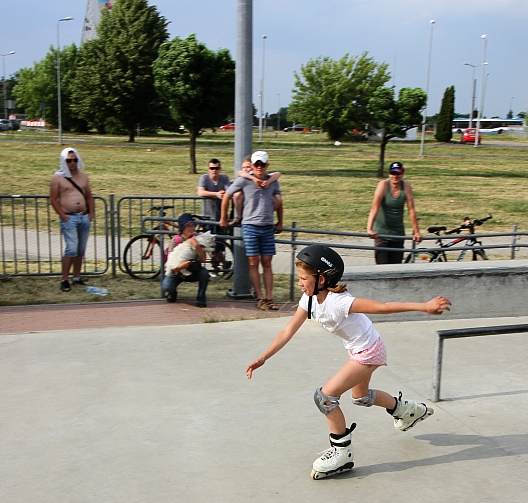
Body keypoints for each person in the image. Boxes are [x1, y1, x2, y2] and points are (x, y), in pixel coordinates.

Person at [246, 245, 451, 479]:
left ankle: (342, 453)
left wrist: (424, 307)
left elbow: (382, 308)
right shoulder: (309, 299)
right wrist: (263, 358)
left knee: (325, 397)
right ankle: (407, 410)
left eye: (303, 278)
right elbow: (287, 331)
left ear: (321, 278)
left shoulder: (339, 302)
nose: (300, 283)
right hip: (358, 349)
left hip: (368, 350)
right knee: (361, 397)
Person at [220, 150, 283, 310]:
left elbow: (279, 200)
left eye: (262, 164)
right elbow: (227, 195)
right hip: (250, 226)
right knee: (253, 262)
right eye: (257, 164)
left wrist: (280, 222)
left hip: (267, 225)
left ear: (266, 165)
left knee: (267, 262)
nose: (259, 167)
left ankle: (269, 297)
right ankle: (260, 297)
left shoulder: (272, 181)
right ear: (253, 166)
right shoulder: (244, 180)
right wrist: (223, 218)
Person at [49, 147, 94, 292]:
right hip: (69, 217)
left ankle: (77, 277)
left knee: (80, 249)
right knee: (71, 248)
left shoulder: (83, 176)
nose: (73, 163)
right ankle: (64, 279)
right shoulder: (57, 178)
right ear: (64, 161)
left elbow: (89, 196)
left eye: (75, 160)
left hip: (84, 216)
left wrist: (91, 214)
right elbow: (53, 199)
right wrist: (64, 216)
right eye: (69, 160)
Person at [367, 161, 422, 264]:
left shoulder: (406, 186)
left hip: (398, 234)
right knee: (382, 268)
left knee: (396, 268)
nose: (395, 176)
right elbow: (374, 208)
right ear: (389, 174)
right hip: (382, 234)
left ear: (402, 174)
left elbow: (411, 210)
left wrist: (417, 231)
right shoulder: (383, 185)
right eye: (393, 173)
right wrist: (370, 229)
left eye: (398, 173)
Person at [161, 213, 213, 307]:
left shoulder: (198, 238)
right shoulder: (175, 241)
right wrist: (180, 267)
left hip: (193, 270)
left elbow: (203, 259)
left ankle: (201, 298)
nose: (192, 228)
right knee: (166, 286)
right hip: (177, 272)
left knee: (204, 274)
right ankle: (172, 292)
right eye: (188, 225)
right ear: (182, 227)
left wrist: (196, 245)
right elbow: (170, 264)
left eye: (193, 225)